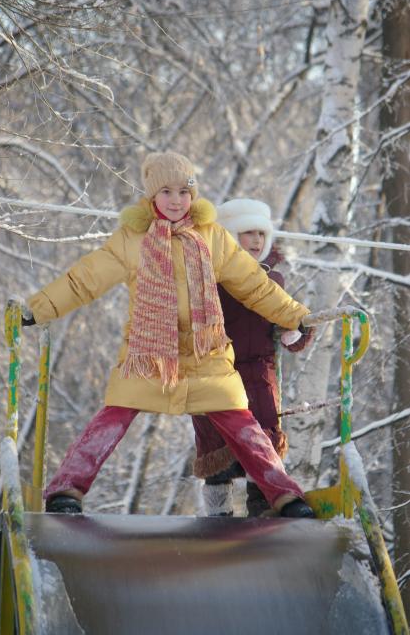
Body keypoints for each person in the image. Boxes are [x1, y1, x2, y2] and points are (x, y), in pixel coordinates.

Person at [22, 151, 314, 519]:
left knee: (244, 424)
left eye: (184, 191)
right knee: (113, 416)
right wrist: (38, 308)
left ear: (194, 194)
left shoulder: (213, 238)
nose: (176, 200)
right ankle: (66, 489)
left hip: (207, 354)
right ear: (151, 196)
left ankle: (285, 495)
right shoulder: (133, 239)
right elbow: (85, 280)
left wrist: (295, 315)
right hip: (150, 355)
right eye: (166, 192)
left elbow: (255, 286)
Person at [192, 199, 314, 517]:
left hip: (259, 373)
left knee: (262, 440)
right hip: (216, 371)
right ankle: (217, 516)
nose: (257, 241)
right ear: (231, 236)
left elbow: (287, 321)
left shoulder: (273, 282)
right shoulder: (210, 282)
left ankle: (263, 508)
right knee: (216, 445)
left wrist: (294, 331)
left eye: (262, 233)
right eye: (248, 233)